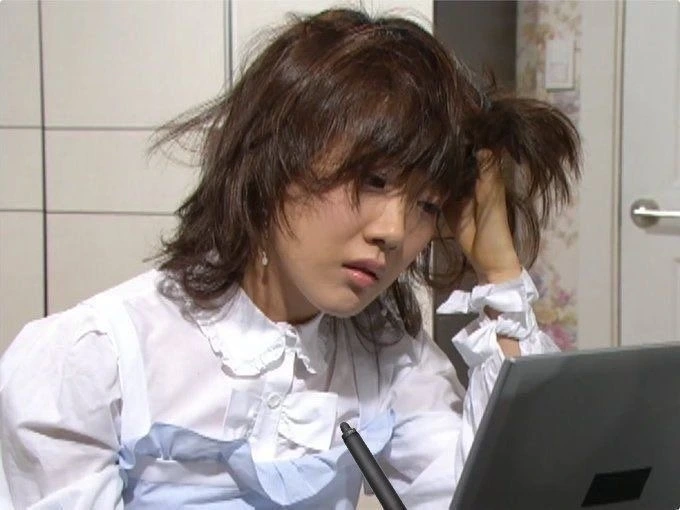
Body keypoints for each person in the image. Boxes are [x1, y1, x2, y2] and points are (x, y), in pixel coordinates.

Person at [0, 7, 580, 509]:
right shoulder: (95, 361)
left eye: (427, 205)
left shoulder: (386, 360)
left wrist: (500, 272)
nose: (393, 231)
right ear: (276, 159)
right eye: (374, 179)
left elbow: (505, 496)